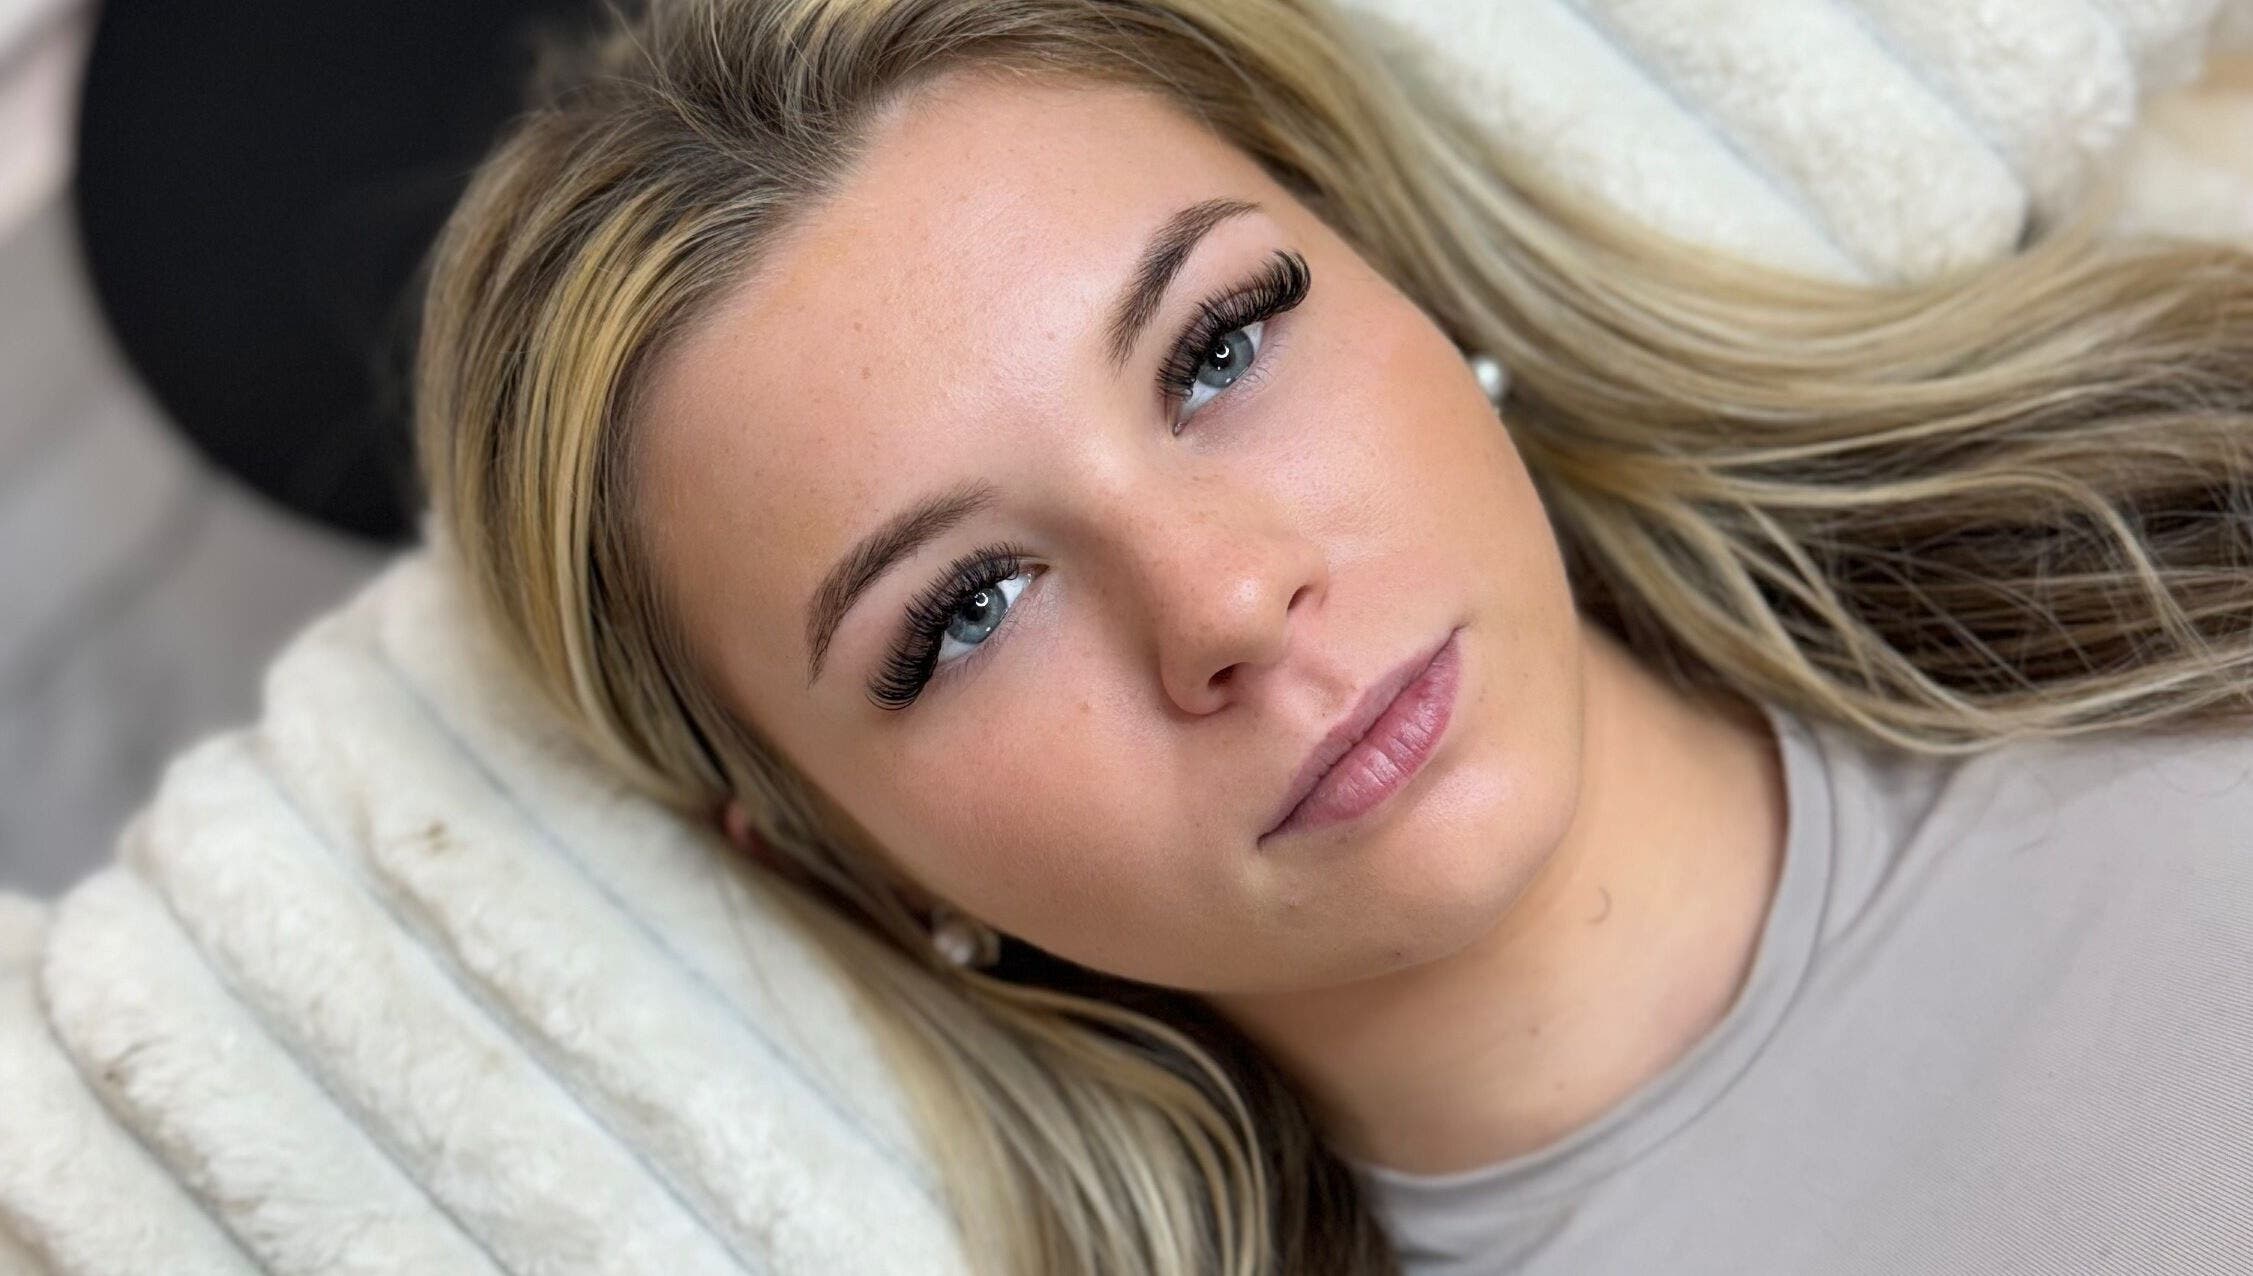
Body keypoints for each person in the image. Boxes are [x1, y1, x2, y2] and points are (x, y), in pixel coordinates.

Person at [413, 0, 2253, 1272]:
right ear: (845, 860)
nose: (1222, 602)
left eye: (1216, 348)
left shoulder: (2207, 489)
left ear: (1399, 269)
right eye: (967, 610)